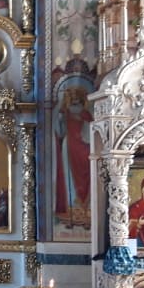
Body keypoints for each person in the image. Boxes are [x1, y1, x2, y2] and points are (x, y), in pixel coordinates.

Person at [54, 86, 93, 224]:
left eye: (77, 97)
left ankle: (86, 211)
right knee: (69, 177)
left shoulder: (86, 114)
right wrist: (60, 117)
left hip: (84, 148)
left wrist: (82, 122)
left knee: (87, 176)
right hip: (69, 147)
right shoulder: (65, 112)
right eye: (72, 97)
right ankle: (71, 211)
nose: (74, 99)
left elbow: (91, 132)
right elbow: (59, 131)